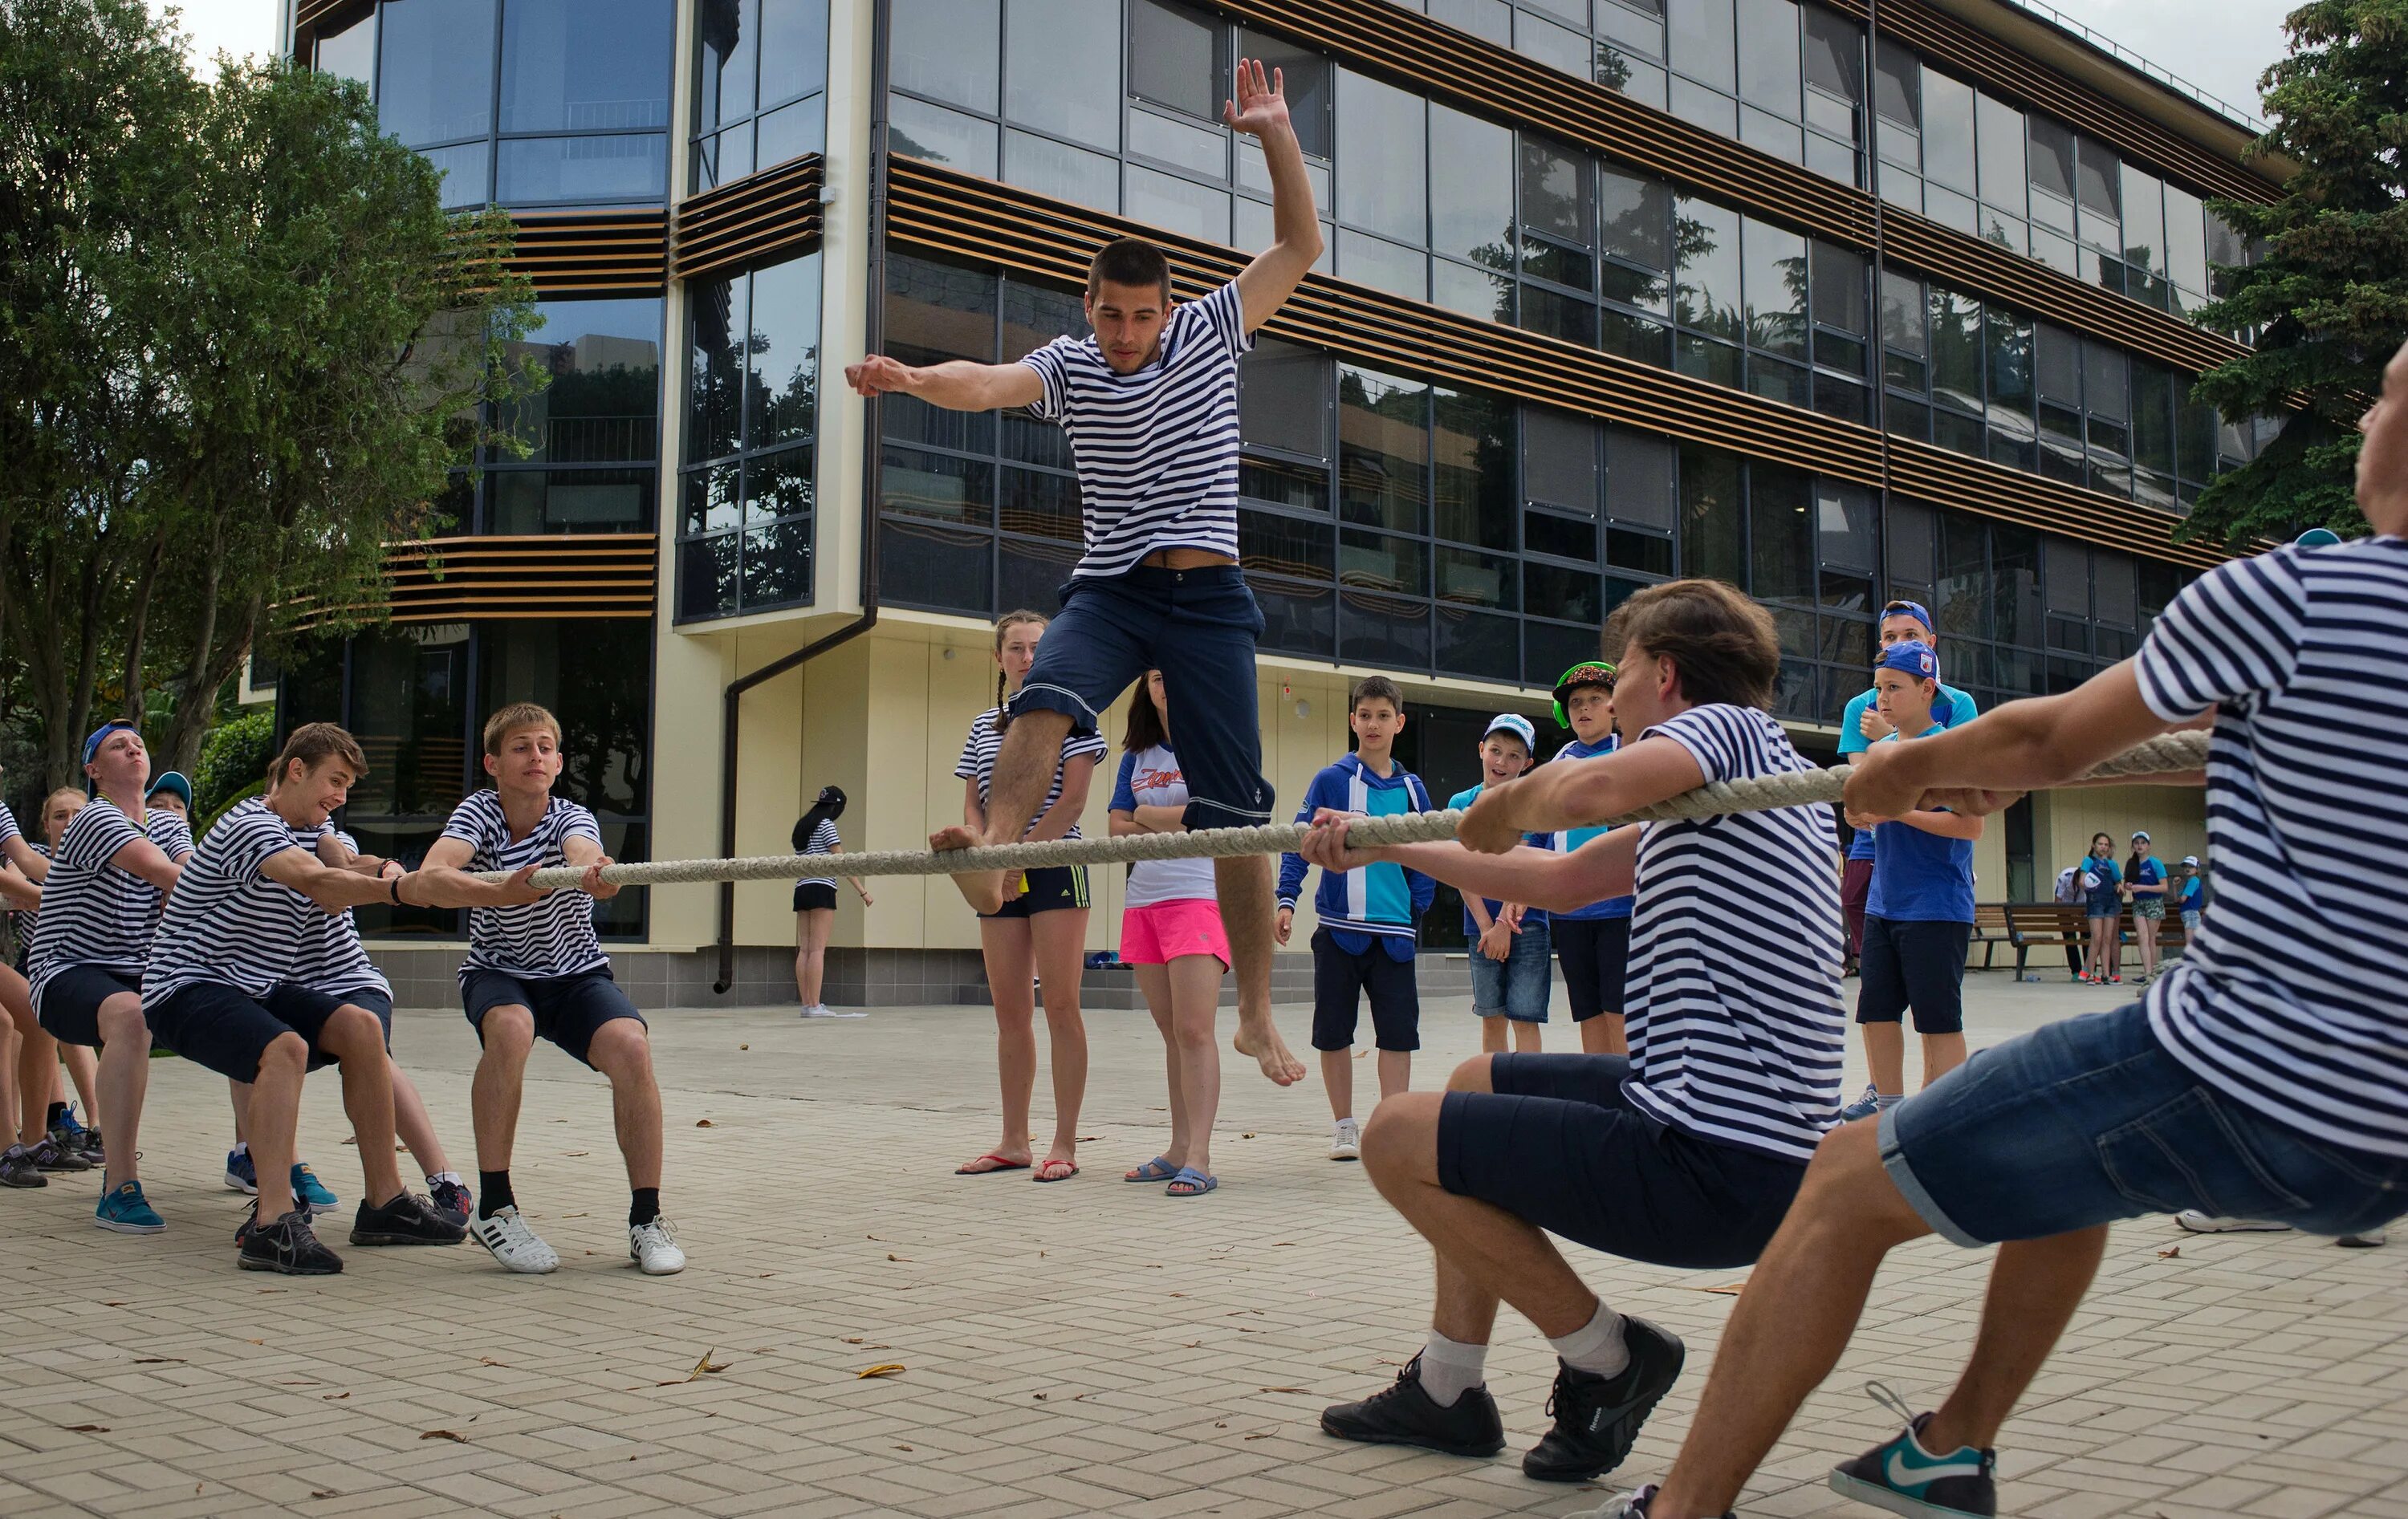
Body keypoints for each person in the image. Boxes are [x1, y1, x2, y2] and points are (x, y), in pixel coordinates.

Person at [1609, 339, 2408, 1519]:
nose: (2363, 422)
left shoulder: (2294, 589)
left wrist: (1902, 771)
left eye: (2384, 395)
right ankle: (1952, 1445)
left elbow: (2048, 743)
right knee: (2070, 1167)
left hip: (2241, 1073)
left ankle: (1683, 1509)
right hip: (2385, 1141)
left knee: (1839, 1182)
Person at [845, 56, 1321, 1092]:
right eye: (1110, 315)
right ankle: (996, 844)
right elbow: (989, 380)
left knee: (1237, 814)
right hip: (1110, 586)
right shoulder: (1068, 362)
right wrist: (916, 375)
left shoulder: (1210, 328)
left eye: (1140, 317)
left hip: (1208, 597)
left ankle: (1254, 1013)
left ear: (1165, 309)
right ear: (1091, 303)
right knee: (1045, 697)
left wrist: (1276, 133)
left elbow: (1298, 246)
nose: (1125, 336)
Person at [1304, 579, 1845, 1485]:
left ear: (1666, 675)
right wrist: (1381, 841)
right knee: (1476, 1082)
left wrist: (1507, 798)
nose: (1614, 689)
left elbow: (1586, 787)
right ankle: (1448, 1388)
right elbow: (1556, 881)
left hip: (1717, 1159)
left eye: (1624, 668)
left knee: (1399, 1135)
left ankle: (1612, 1358)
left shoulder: (1725, 734)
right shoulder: (1735, 789)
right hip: (1708, 1126)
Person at [141, 724, 513, 1273]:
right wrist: (401, 888)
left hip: (253, 985)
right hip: (183, 987)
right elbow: (318, 883)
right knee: (284, 1048)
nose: (340, 796)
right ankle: (273, 1222)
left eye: (347, 787)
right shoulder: (250, 825)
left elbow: (344, 863)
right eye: (334, 781)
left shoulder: (311, 826)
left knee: (363, 1028)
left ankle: (385, 1203)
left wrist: (399, 871)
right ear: (296, 770)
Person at [413, 702, 685, 1276]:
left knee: (633, 1047)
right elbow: (433, 877)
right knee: (511, 1029)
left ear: (558, 762)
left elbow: (587, 855)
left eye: (543, 746)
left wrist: (598, 874)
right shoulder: (478, 814)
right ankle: (496, 1209)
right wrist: (499, 894)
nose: (533, 756)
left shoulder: (571, 816)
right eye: (520, 746)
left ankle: (647, 1219)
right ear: (493, 761)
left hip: (574, 975)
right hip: (499, 971)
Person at [226, 823, 476, 1226]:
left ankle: (444, 1180)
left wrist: (390, 870)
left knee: (373, 1051)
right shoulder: (251, 837)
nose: (332, 801)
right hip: (278, 983)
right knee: (256, 1056)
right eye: (329, 785)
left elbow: (345, 867)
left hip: (348, 979)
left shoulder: (330, 837)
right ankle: (282, 1178)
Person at [950, 612, 1105, 1183]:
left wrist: (1018, 855)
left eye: (1036, 647)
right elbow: (974, 802)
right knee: (1011, 1011)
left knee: (1062, 1005)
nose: (1025, 657)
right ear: (999, 659)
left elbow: (1072, 802)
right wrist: (989, 853)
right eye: (1014, 648)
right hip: (996, 869)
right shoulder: (981, 727)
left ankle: (1064, 1141)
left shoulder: (1077, 716)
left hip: (1056, 863)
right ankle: (1014, 1139)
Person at [26, 721, 193, 1232]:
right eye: (117, 746)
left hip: (135, 975)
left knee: (241, 1006)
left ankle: (264, 1164)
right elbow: (176, 878)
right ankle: (119, 1186)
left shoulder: (166, 823)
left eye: (138, 742)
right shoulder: (95, 817)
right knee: (130, 1016)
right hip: (64, 973)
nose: (133, 747)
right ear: (93, 770)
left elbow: (189, 867)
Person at [1277, 676, 1434, 1162]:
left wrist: (1417, 908)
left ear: (1399, 723)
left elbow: (1429, 851)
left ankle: (1393, 1128)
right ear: (1352, 720)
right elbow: (1300, 844)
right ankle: (1344, 1127)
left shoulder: (1413, 788)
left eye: (1383, 715)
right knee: (1333, 1032)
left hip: (1395, 936)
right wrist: (1286, 900)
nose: (1373, 724)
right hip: (1339, 932)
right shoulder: (1330, 780)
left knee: (1398, 1035)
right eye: (1365, 715)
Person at [1837, 644, 1982, 1122]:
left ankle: (1953, 1119)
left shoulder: (1952, 751)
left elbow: (1970, 827)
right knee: (1876, 1012)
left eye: (1894, 687)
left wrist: (1897, 812)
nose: (1882, 698)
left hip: (1937, 906)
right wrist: (1859, 817)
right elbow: (1868, 817)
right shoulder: (1880, 753)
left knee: (1938, 1021)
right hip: (1885, 903)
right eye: (1878, 688)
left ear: (1927, 691)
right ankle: (1890, 1113)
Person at [1108, 669, 1228, 1197]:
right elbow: (1116, 825)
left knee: (1196, 1029)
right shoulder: (1136, 753)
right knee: (1171, 1031)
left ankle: (1200, 1155)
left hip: (1200, 896)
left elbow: (1210, 818)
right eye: (1158, 676)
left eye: (1172, 676)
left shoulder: (1213, 742)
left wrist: (1146, 814)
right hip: (1145, 901)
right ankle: (1178, 1147)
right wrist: (1169, 818)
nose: (1166, 684)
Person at [1835, 602, 1980, 970]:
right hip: (1877, 850)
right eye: (1889, 637)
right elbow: (1866, 784)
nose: (1899, 644)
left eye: (1910, 636)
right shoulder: (1859, 706)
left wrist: (1894, 739)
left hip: (1934, 867)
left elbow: (1962, 796)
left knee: (1933, 1007)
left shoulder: (1958, 703)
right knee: (1855, 903)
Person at [1542, 664, 1638, 1055]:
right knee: (1587, 1012)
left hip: (1622, 907)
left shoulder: (1632, 751)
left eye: (1595, 700)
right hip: (1570, 912)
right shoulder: (1558, 763)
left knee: (1620, 1009)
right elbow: (1542, 836)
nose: (1584, 709)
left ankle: (1631, 1096)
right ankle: (1601, 1099)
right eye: (1576, 703)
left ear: (1614, 707)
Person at [9, 787, 103, 1165]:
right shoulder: (33, 855)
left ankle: (96, 1127)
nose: (69, 821)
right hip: (38, 961)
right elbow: (17, 881)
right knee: (30, 1018)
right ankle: (32, 1127)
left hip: (89, 963)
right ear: (46, 824)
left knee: (66, 1023)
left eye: (77, 814)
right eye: (60, 815)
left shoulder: (109, 855)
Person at [1448, 714, 1551, 1056]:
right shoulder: (1460, 805)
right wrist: (1486, 926)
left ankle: (1530, 1102)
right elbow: (1460, 870)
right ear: (1481, 750)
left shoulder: (1533, 803)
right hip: (1480, 926)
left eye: (1514, 755)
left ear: (1528, 762)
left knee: (1525, 1018)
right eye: (1495, 750)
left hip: (1528, 925)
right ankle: (1497, 1101)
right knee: (1491, 1018)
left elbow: (1524, 866)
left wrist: (1505, 923)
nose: (1502, 762)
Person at [791, 786, 871, 1019]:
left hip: (801, 887)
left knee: (805, 948)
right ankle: (816, 1005)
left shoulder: (802, 826)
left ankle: (807, 1004)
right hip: (822, 887)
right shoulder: (826, 825)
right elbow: (841, 861)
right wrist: (862, 891)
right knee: (817, 949)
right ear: (836, 807)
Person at [2075, 831, 2121, 984]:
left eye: (2106, 845)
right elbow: (2082, 881)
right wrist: (2089, 885)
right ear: (2094, 845)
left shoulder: (2112, 864)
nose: (2103, 847)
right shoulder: (2088, 861)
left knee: (2107, 939)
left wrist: (2120, 887)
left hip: (2111, 902)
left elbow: (2118, 882)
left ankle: (2105, 975)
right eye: (2100, 844)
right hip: (2095, 901)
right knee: (2097, 937)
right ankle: (2089, 971)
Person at [2124, 830, 2167, 984]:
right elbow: (2127, 883)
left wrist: (2143, 887)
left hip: (2154, 902)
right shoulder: (2131, 863)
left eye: (2143, 843)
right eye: (2136, 843)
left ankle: (2153, 972)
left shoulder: (2156, 863)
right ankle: (2147, 971)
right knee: (2142, 936)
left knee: (2151, 938)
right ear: (2133, 846)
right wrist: (2129, 886)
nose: (2140, 846)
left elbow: (2164, 887)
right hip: (2138, 903)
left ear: (2148, 846)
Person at [2176, 854, 2204, 936]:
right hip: (2189, 915)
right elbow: (2177, 899)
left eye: (2191, 866)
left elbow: (2182, 899)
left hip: (2191, 914)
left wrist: (2180, 899)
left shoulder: (2193, 881)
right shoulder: (2190, 882)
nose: (2188, 869)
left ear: (2197, 869)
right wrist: (2175, 886)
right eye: (2186, 866)